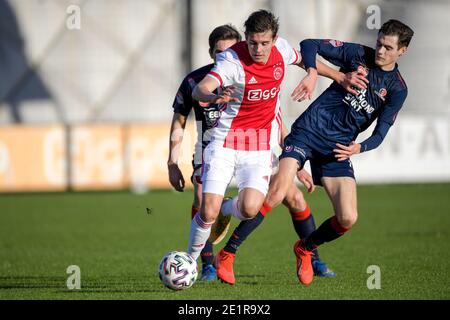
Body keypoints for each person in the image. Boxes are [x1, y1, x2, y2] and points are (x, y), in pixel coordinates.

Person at [189, 9, 365, 285]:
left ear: (274, 39)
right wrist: (212, 94)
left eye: (264, 43)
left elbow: (306, 56)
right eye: (252, 42)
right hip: (225, 141)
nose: (258, 49)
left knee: (250, 209)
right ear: (245, 39)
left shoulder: (282, 50)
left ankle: (226, 210)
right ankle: (190, 262)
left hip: (259, 146)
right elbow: (199, 89)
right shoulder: (231, 60)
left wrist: (336, 76)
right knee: (206, 210)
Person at [261, 19, 414, 285]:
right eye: (379, 43)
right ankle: (229, 250)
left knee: (348, 217)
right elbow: (309, 45)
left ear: (402, 51)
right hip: (310, 131)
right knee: (277, 193)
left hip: (339, 148)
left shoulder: (398, 89)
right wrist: (312, 72)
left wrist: (358, 147)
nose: (380, 51)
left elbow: (380, 133)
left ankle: (305, 248)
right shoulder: (358, 55)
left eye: (388, 48)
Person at [168, 24, 242, 281]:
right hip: (210, 149)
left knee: (288, 196)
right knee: (201, 200)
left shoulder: (251, 78)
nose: (226, 57)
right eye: (220, 52)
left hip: (248, 145)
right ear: (211, 53)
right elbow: (179, 121)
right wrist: (172, 163)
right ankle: (206, 264)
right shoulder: (194, 81)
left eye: (232, 51)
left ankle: (312, 255)